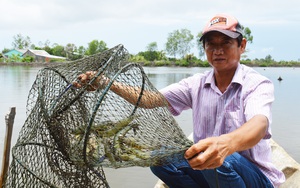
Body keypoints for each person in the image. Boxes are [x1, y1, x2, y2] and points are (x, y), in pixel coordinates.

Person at [73, 13, 285, 188]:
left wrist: (225, 144)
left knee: (216, 155)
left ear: (242, 45)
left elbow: (259, 124)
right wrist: (106, 82)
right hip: (215, 172)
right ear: (205, 49)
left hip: (255, 179)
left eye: (226, 43)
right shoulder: (196, 84)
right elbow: (149, 99)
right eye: (211, 45)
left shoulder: (257, 83)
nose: (218, 50)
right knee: (161, 160)